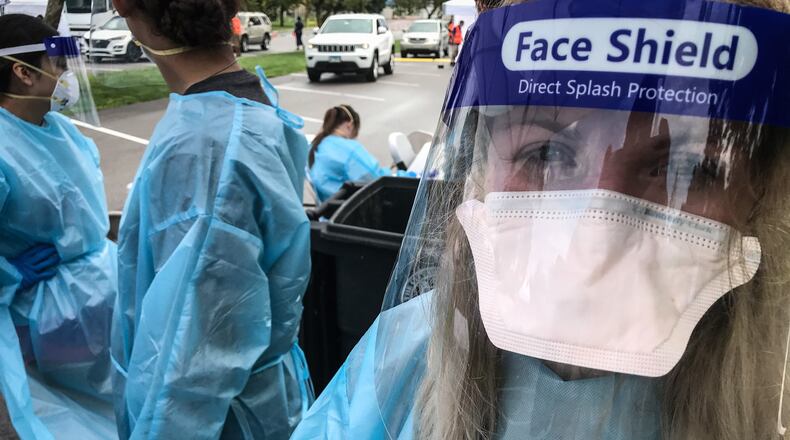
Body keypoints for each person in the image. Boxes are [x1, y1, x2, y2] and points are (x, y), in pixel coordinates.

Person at [291, 0, 790, 438]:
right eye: (545, 153)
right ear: (481, 174)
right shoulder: (404, 356)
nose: (594, 245)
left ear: (759, 195)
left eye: (684, 169)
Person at [109, 0, 314, 438]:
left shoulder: (206, 147)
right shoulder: (235, 106)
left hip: (221, 420)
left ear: (122, 6)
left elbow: (193, 357)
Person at [0, 14, 117, 439]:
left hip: (101, 292)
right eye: (57, 64)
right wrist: (11, 273)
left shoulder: (64, 131)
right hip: (47, 315)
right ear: (22, 72)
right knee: (71, 418)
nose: (67, 74)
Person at [309, 104, 392, 202]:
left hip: (328, 210)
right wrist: (401, 173)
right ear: (350, 124)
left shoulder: (316, 145)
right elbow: (375, 180)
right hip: (348, 210)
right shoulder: (347, 148)